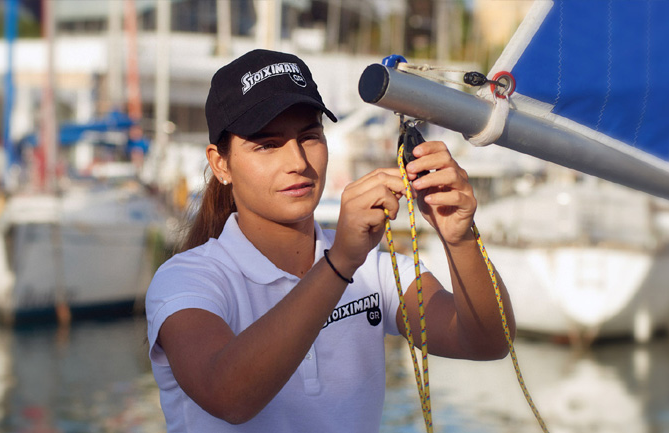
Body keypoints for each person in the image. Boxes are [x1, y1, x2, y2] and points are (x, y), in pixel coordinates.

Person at [145, 49, 515, 433]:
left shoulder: (374, 267)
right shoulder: (187, 279)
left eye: (309, 136)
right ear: (221, 163)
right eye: (267, 145)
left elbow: (488, 342)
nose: (298, 162)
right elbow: (228, 396)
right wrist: (339, 263)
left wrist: (460, 239)